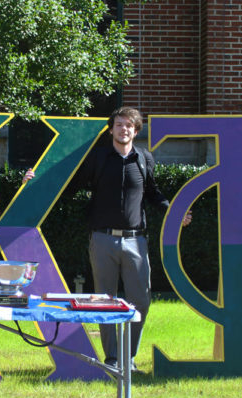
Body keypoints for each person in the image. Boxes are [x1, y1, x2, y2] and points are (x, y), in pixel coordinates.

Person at [59, 106, 189, 371]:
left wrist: (173, 211)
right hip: (102, 239)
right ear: (111, 129)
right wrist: (35, 182)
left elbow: (153, 193)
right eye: (119, 124)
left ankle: (128, 358)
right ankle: (112, 358)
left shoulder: (144, 158)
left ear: (136, 130)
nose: (124, 129)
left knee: (140, 299)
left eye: (129, 125)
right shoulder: (97, 158)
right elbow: (69, 186)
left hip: (136, 241)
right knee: (106, 300)